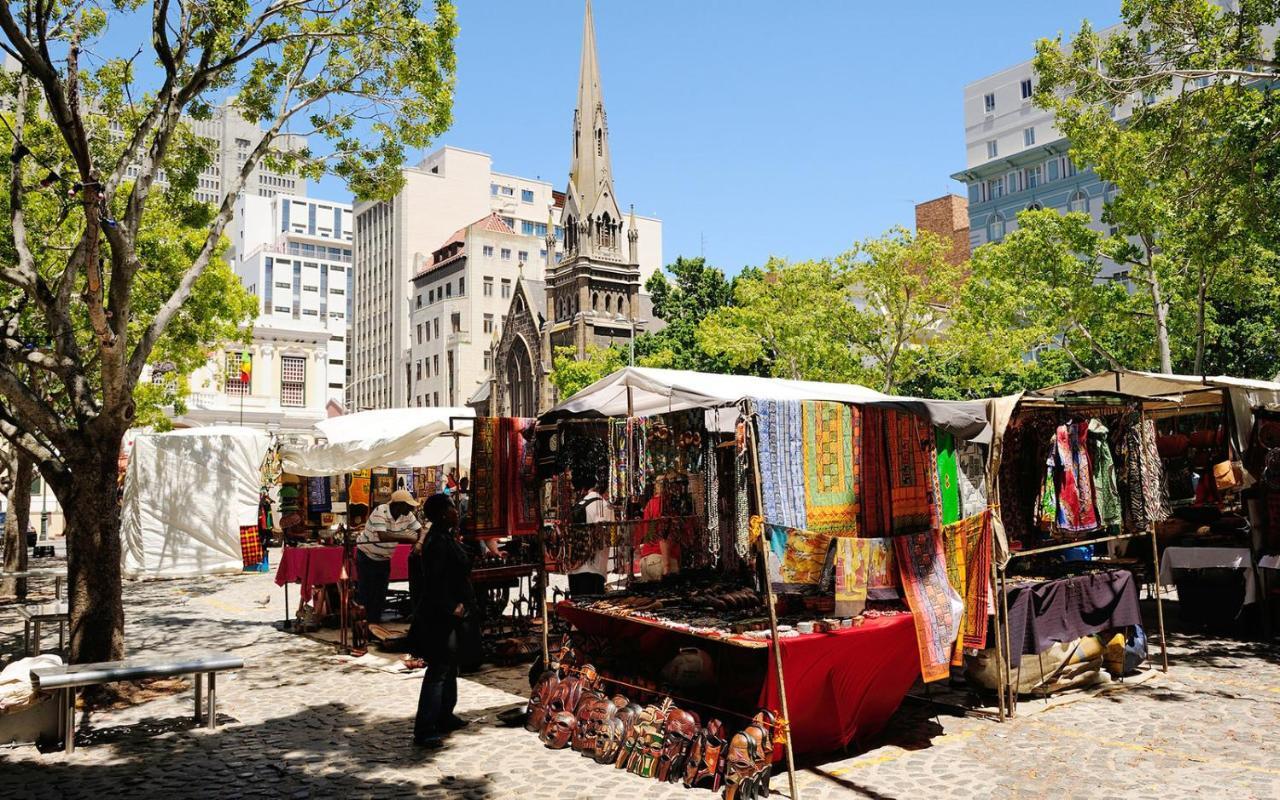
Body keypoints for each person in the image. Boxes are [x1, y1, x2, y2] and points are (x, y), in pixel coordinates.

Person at [413, 492, 476, 747]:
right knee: (438, 668)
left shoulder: (445, 537)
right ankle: (425, 727)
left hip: (448, 612)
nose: (456, 511)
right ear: (442, 513)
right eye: (451, 508)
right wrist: (452, 607)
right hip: (440, 614)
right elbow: (436, 581)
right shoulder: (437, 542)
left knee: (449, 665)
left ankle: (444, 714)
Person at [356, 489, 422, 624]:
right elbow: (383, 536)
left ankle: (374, 623)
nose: (410, 508)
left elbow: (420, 530)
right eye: (408, 505)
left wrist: (419, 542)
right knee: (366, 592)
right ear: (399, 505)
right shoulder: (381, 511)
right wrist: (408, 538)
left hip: (385, 558)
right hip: (367, 556)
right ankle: (363, 624)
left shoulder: (407, 515)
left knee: (380, 594)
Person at [567, 473, 614, 596]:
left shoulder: (578, 505)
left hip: (575, 568)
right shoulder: (606, 506)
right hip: (595, 569)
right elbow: (608, 539)